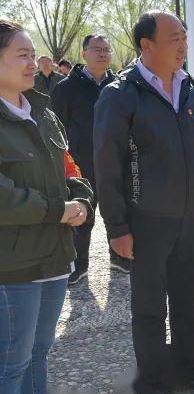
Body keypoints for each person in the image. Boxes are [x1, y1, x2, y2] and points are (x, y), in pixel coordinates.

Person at [93, 11, 194, 394]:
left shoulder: (191, 88)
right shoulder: (121, 95)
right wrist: (117, 226)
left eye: (184, 35)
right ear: (146, 45)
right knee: (150, 310)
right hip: (146, 221)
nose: (182, 44)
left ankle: (189, 371)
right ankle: (151, 382)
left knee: (188, 301)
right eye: (173, 37)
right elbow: (106, 164)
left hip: (189, 218)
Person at [0, 19, 93, 394]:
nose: (32, 62)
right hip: (14, 267)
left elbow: (71, 171)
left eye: (31, 53)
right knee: (11, 363)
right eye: (21, 54)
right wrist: (57, 210)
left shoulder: (43, 113)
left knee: (39, 356)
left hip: (55, 259)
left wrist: (84, 200)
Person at [52, 34, 130, 285]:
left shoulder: (120, 86)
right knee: (81, 216)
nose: (103, 54)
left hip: (116, 163)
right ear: (84, 53)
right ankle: (78, 266)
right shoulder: (66, 88)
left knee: (118, 211)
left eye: (107, 49)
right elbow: (56, 128)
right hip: (80, 164)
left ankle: (119, 258)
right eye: (97, 49)